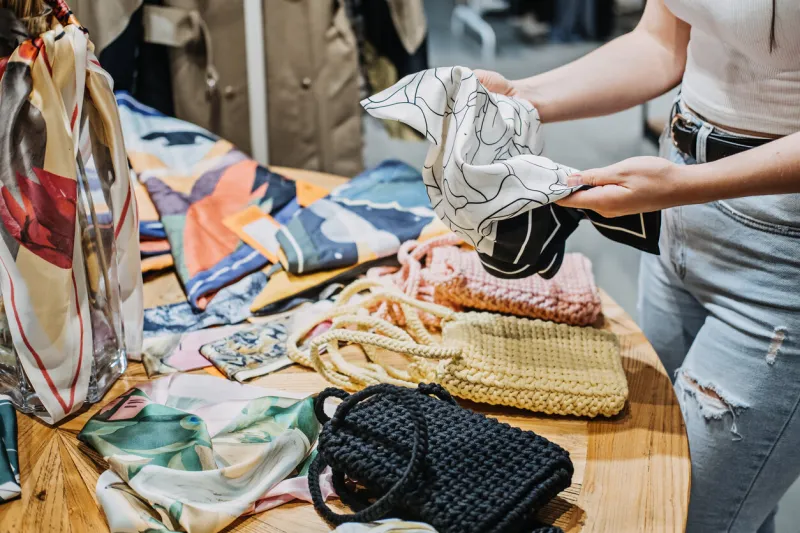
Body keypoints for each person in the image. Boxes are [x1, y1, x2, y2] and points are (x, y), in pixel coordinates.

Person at [477, 1, 800, 532]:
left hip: (779, 257)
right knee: (655, 467)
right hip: (675, 206)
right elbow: (659, 42)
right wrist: (524, 97)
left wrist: (687, 187)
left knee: (684, 515)